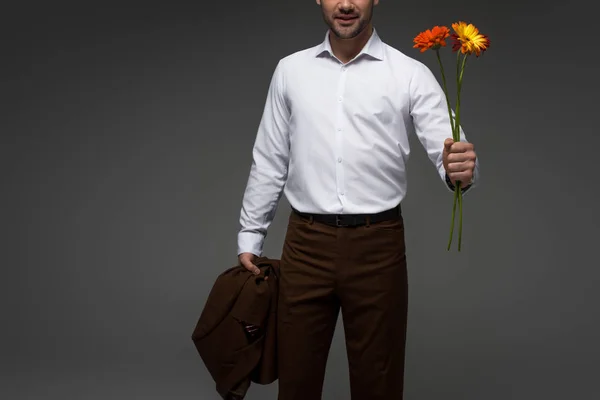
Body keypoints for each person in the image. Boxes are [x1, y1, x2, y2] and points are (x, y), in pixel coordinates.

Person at [236, 0, 479, 398]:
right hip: (305, 246)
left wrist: (463, 171)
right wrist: (250, 234)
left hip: (377, 247)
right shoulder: (290, 71)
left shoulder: (410, 74)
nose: (346, 3)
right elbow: (270, 158)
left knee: (378, 382)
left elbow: (450, 154)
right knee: (296, 380)